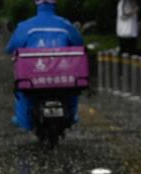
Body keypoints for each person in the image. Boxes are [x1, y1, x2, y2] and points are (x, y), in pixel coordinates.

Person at [5, 0, 83, 131]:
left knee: (22, 90)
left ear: (37, 4)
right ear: (55, 4)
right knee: (73, 89)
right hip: (62, 77)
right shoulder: (66, 25)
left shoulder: (25, 26)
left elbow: (10, 48)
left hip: (33, 79)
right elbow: (79, 43)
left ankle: (23, 120)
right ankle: (72, 115)